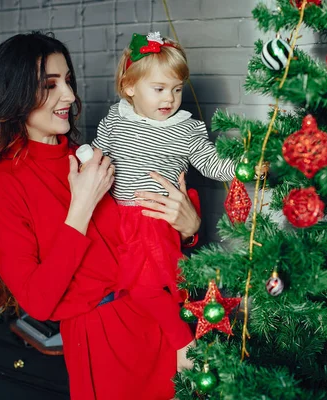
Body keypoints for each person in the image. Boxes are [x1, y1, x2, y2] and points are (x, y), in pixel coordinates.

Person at [0, 32, 202, 400]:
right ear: (15, 92)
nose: (70, 97)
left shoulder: (83, 154)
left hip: (163, 314)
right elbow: (38, 301)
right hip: (105, 341)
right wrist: (81, 207)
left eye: (68, 81)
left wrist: (189, 227)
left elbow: (136, 234)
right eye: (50, 85)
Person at [90, 31, 235, 370]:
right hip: (115, 220)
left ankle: (182, 344)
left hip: (153, 221)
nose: (169, 98)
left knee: (147, 290)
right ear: (129, 87)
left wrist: (242, 168)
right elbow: (98, 155)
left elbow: (211, 163)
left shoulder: (185, 129)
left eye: (177, 89)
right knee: (126, 293)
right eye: (159, 89)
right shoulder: (115, 119)